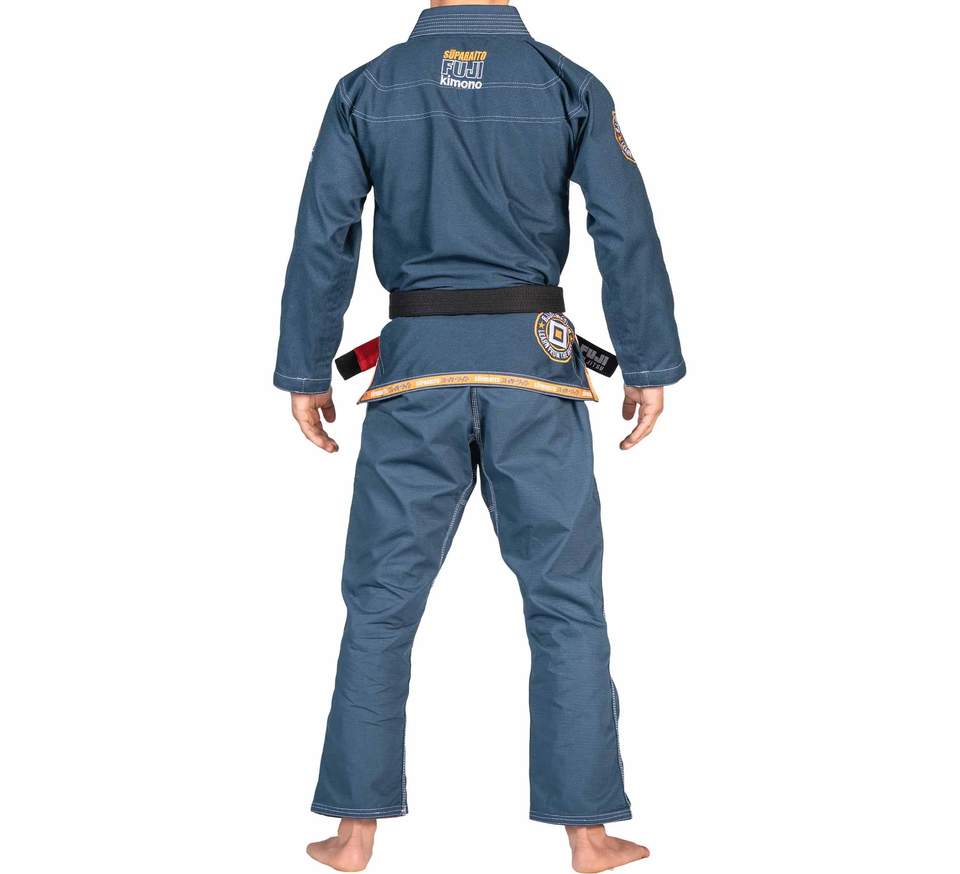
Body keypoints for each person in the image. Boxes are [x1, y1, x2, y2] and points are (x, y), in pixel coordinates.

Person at [274, 1, 684, 870]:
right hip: (536, 370)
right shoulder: (566, 83)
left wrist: (306, 369)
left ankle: (353, 833)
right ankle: (589, 834)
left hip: (413, 372)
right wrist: (647, 361)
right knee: (566, 601)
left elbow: (323, 235)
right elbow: (625, 227)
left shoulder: (368, 88)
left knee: (381, 601)